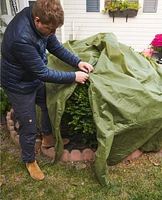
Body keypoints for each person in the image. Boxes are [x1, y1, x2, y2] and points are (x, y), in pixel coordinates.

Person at [1, 0, 94, 181]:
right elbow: (43, 73)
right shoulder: (22, 37)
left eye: (55, 30)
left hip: (32, 75)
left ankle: (47, 139)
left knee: (46, 104)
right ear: (37, 21)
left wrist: (77, 62)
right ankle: (29, 160)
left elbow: (55, 46)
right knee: (28, 125)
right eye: (50, 30)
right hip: (18, 84)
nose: (53, 33)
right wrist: (73, 76)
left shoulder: (44, 20)